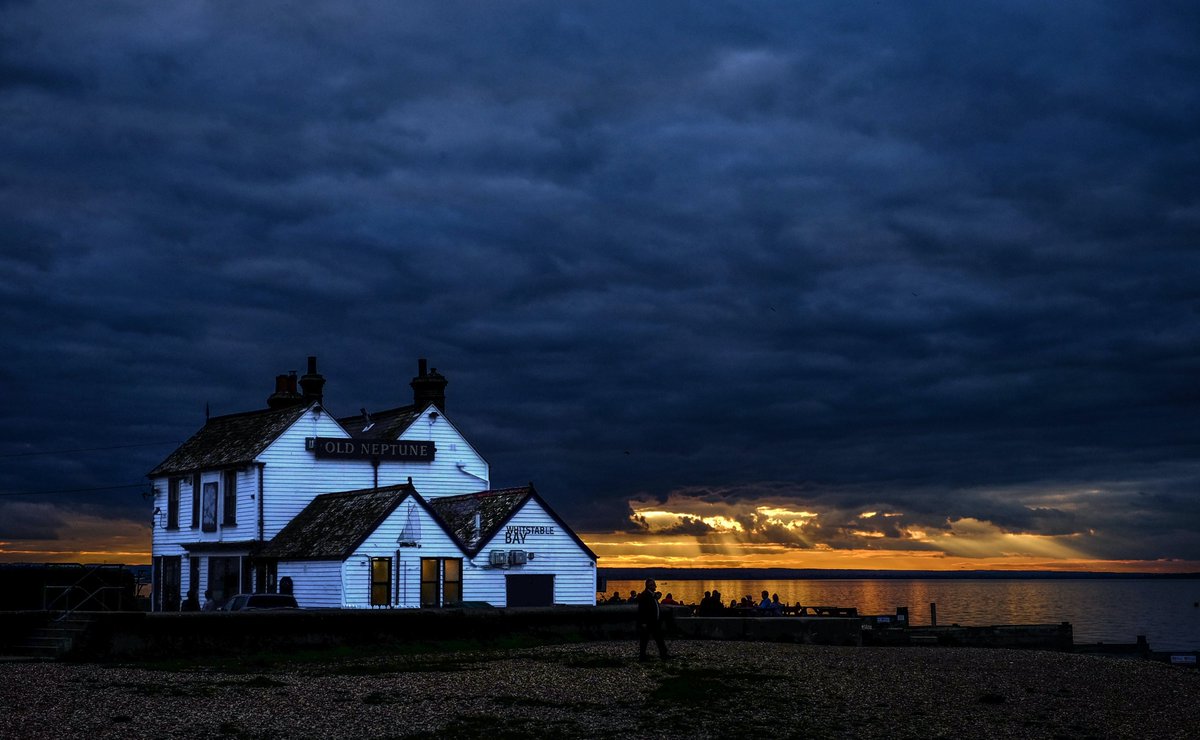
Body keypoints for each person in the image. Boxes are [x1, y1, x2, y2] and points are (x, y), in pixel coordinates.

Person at [636, 578, 670, 661]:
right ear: (647, 586)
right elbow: (642, 610)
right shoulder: (645, 595)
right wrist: (643, 622)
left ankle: (663, 654)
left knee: (658, 639)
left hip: (655, 622)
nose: (654, 586)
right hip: (648, 622)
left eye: (654, 584)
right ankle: (643, 656)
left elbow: (656, 600)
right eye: (651, 585)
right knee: (645, 640)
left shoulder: (652, 595)